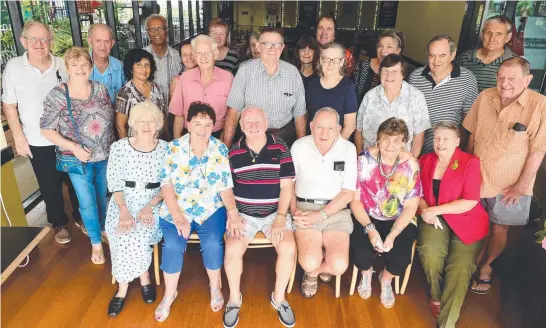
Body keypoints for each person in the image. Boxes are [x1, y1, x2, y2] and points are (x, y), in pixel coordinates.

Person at [463, 57, 546, 295]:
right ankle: (470, 263)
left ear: (527, 80)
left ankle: (487, 267)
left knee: (500, 229)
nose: (504, 83)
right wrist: (464, 171)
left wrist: (521, 186)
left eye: (512, 78)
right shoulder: (485, 97)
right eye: (501, 77)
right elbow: (472, 136)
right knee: (476, 224)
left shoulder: (539, 105)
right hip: (476, 178)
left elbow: (538, 150)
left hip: (509, 185)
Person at [155, 102, 239, 322]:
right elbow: (166, 185)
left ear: (214, 126)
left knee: (212, 241)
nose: (202, 129)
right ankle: (169, 293)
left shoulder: (220, 149)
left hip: (209, 208)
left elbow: (225, 185)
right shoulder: (173, 148)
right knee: (173, 244)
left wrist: (232, 212)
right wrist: (176, 216)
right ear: (188, 124)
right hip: (177, 208)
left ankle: (215, 287)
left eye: (208, 124)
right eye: (198, 123)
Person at [2, 21, 82, 243]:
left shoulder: (62, 64)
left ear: (51, 42)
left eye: (44, 39)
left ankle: (80, 216)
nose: (39, 44)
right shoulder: (14, 67)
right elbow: (9, 105)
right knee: (49, 184)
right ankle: (58, 223)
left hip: (68, 137)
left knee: (76, 180)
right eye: (34, 39)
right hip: (37, 139)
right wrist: (18, 137)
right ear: (23, 41)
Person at [223, 107, 297, 328]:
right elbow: (226, 187)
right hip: (244, 214)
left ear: (266, 123)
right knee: (233, 249)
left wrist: (281, 218)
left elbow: (287, 187)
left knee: (288, 248)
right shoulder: (234, 152)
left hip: (275, 213)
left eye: (257, 121)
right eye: (248, 122)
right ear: (241, 126)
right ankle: (234, 299)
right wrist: (233, 214)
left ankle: (280, 298)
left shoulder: (280, 147)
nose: (253, 125)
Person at [41, 47, 114, 264]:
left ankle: (101, 229)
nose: (80, 69)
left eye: (84, 64)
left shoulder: (100, 89)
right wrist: (74, 147)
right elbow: (46, 129)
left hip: (103, 155)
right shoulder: (58, 94)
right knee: (87, 201)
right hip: (78, 158)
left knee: (102, 196)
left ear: (91, 67)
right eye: (75, 65)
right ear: (67, 68)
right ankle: (95, 243)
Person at [418, 122, 489, 328]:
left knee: (460, 266)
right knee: (430, 252)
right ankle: (437, 295)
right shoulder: (426, 160)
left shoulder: (469, 162)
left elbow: (471, 201)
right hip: (433, 218)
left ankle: (447, 323)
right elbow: (418, 193)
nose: (440, 143)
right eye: (437, 138)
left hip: (466, 220)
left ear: (457, 142)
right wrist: (426, 210)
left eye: (446, 139)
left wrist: (435, 210)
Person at [349, 117, 420, 308]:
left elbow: (411, 206)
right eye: (386, 139)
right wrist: (371, 230)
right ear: (378, 139)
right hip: (367, 216)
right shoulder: (363, 162)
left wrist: (394, 233)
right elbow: (354, 200)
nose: (390, 145)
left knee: (400, 258)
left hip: (399, 218)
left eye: (396, 140)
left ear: (403, 142)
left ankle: (386, 279)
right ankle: (365, 274)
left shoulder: (411, 165)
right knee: (360, 249)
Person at [105, 102, 167, 317]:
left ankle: (144, 278)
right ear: (133, 124)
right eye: (141, 121)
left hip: (153, 201)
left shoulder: (166, 149)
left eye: (151, 121)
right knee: (120, 232)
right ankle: (123, 287)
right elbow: (114, 182)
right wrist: (123, 210)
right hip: (123, 200)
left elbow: (170, 184)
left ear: (158, 124)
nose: (146, 126)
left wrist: (150, 206)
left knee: (140, 232)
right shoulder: (119, 147)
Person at [291, 107, 356, 298]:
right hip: (304, 207)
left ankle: (313, 273)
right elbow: (289, 184)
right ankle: (313, 269)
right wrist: (294, 210)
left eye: (330, 128)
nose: (324, 133)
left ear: (339, 128)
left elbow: (348, 193)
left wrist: (321, 215)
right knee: (310, 260)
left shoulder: (348, 149)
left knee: (338, 265)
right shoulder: (298, 146)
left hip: (336, 211)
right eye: (319, 127)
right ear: (311, 126)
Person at [223, 27, 306, 149]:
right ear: (258, 46)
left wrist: (301, 149)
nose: (272, 48)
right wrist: (226, 149)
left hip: (284, 138)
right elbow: (233, 113)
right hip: (251, 138)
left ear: (282, 48)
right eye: (266, 44)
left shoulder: (292, 73)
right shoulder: (245, 71)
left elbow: (300, 115)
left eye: (277, 44)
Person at [409, 35, 478, 155]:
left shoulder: (467, 79)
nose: (436, 61)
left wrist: (458, 147)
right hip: (416, 150)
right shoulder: (416, 76)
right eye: (432, 56)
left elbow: (469, 119)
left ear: (452, 55)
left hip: (447, 153)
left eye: (442, 56)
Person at [356, 54, 430, 156]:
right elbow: (359, 130)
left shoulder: (416, 97)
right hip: (370, 159)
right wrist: (360, 157)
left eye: (394, 72)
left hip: (400, 162)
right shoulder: (369, 96)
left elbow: (419, 135)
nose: (389, 76)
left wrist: (410, 163)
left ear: (403, 74)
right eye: (385, 71)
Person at [169, 35, 233, 139]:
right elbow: (178, 116)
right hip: (189, 135)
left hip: (217, 135)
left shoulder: (228, 79)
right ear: (194, 55)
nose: (203, 58)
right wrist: (177, 145)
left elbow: (231, 118)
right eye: (199, 53)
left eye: (207, 53)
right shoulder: (184, 78)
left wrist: (223, 144)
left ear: (215, 54)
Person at [305, 42, 357, 139]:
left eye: (336, 60)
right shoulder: (312, 84)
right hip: (312, 143)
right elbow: (307, 117)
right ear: (320, 60)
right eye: (326, 59)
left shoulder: (348, 87)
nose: (330, 64)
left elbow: (350, 126)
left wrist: (333, 149)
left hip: (337, 146)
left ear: (342, 62)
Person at [115, 49, 167, 140]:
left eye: (147, 65)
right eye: (138, 65)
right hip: (136, 144)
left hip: (159, 141)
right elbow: (120, 126)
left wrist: (167, 139)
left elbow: (163, 116)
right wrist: (127, 148)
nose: (144, 69)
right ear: (131, 69)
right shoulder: (125, 93)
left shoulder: (157, 88)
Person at [456, 15, 515, 92]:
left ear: (508, 37)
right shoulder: (464, 58)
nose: (492, 39)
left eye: (498, 34)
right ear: (482, 35)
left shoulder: (515, 63)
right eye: (488, 33)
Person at [354, 30, 405, 105]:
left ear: (398, 51)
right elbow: (354, 95)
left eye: (389, 46)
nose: (383, 50)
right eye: (380, 46)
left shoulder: (402, 71)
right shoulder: (363, 66)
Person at [143, 14, 182, 103]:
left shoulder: (178, 57)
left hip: (174, 111)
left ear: (166, 30)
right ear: (148, 32)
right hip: (150, 112)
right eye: (152, 29)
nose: (156, 32)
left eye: (160, 28)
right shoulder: (141, 57)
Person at [87, 23, 125, 102]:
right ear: (90, 41)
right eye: (98, 41)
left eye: (106, 41)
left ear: (112, 43)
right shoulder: (79, 67)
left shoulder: (120, 66)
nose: (103, 46)